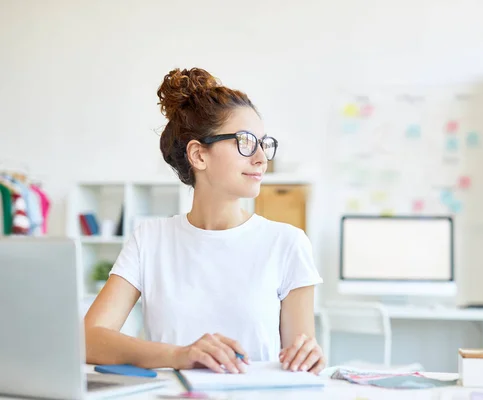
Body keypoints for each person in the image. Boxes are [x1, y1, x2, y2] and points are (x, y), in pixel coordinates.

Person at [84, 68, 325, 375]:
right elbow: (88, 339)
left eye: (264, 144)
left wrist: (309, 358)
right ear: (199, 155)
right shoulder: (150, 239)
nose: (262, 158)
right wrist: (179, 355)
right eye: (246, 142)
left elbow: (300, 366)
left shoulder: (288, 243)